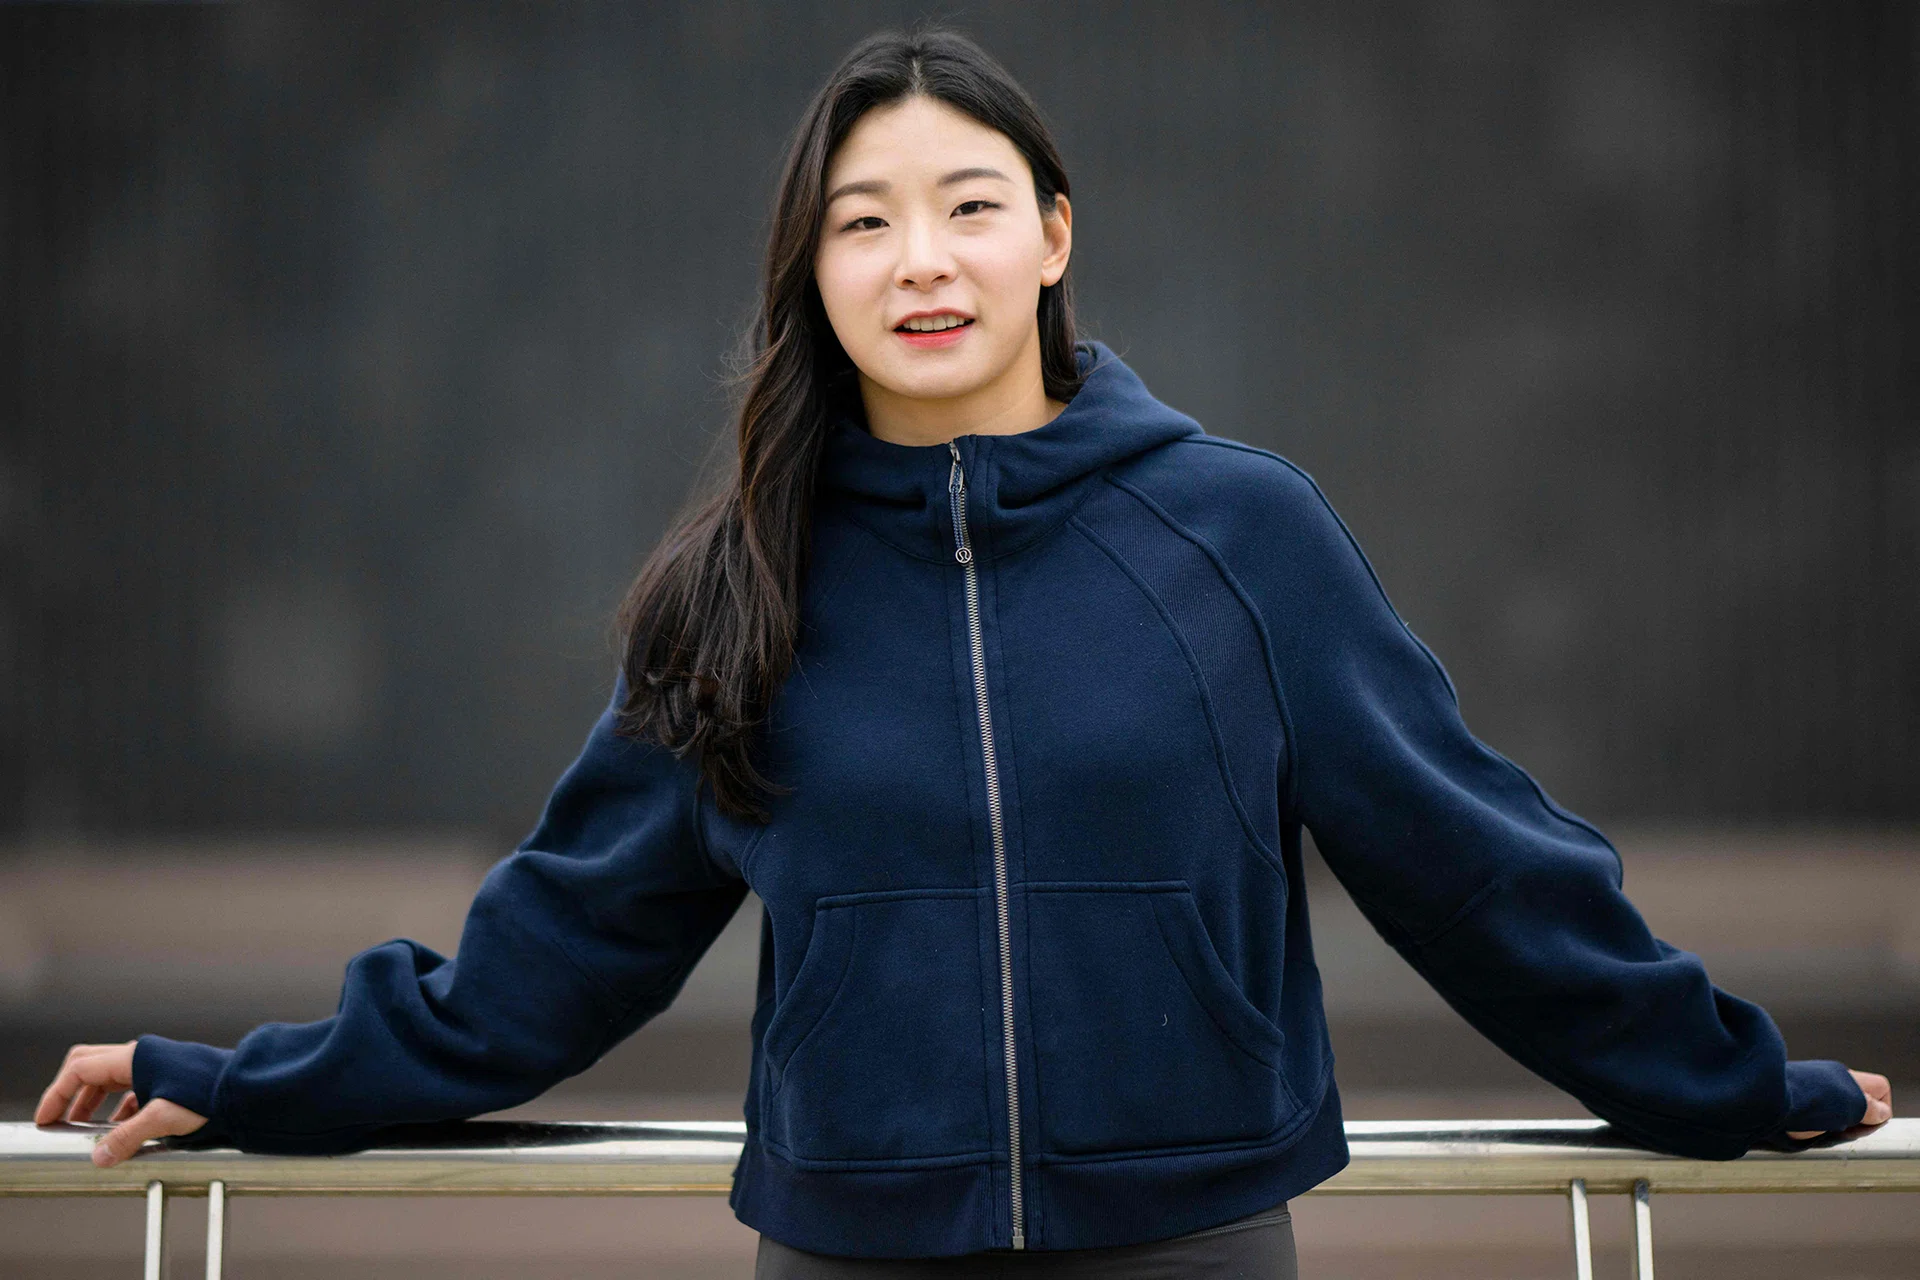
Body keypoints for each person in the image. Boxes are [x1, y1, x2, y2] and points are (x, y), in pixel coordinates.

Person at [38, 22, 1893, 1280]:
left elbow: (1481, 870)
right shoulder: (737, 587)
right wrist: (255, 1075)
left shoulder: (1241, 536)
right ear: (813, 276)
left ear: (1053, 236)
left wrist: (1738, 1087)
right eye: (864, 223)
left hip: (1195, 1246)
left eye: (968, 206)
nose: (920, 258)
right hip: (846, 1256)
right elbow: (535, 974)